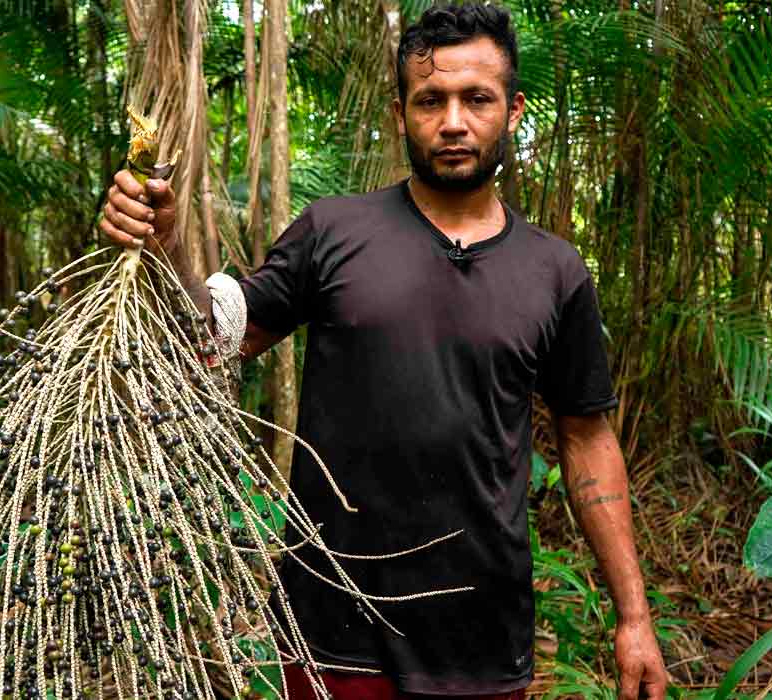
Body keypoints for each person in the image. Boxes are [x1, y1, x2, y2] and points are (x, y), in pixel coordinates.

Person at [98, 4, 668, 699]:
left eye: (476, 99)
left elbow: (587, 438)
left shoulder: (555, 271)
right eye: (431, 100)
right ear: (400, 114)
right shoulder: (333, 231)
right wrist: (165, 246)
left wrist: (633, 616)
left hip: (481, 637)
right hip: (334, 628)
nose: (453, 122)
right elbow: (210, 340)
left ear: (513, 110)